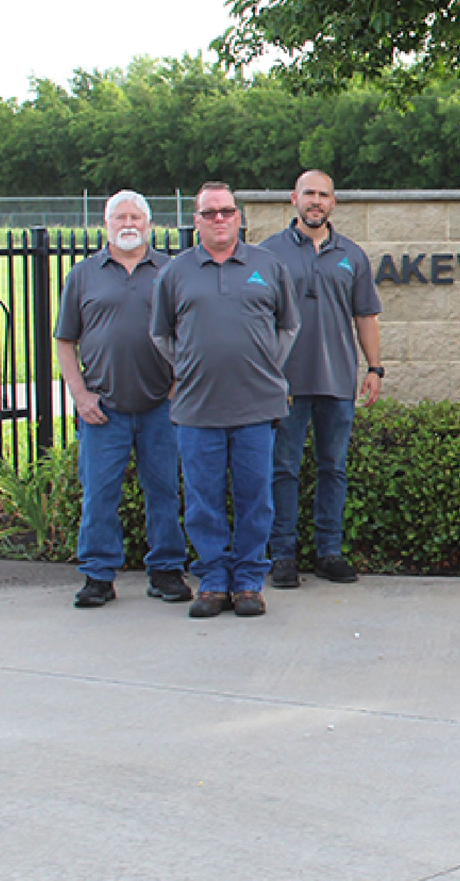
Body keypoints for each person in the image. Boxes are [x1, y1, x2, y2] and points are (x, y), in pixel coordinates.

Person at [150, 182, 301, 619]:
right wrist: (192, 368)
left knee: (257, 497)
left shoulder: (267, 266)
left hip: (257, 407)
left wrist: (262, 367)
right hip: (198, 409)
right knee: (202, 500)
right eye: (209, 212)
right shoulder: (175, 273)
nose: (219, 219)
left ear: (239, 218)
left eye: (226, 211)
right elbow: (161, 334)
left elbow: (288, 327)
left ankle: (249, 583)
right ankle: (214, 582)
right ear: (196, 220)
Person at [54, 191, 191, 609]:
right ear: (106, 224)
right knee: (99, 493)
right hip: (103, 410)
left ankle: (166, 570)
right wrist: (79, 394)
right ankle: (97, 575)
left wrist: (177, 386)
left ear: (149, 225)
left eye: (136, 216)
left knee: (164, 491)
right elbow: (64, 341)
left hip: (160, 407)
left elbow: (189, 335)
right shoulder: (83, 275)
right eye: (119, 217)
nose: (128, 223)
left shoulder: (171, 271)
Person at [260, 169, 383, 589]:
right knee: (283, 470)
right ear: (293, 198)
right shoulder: (268, 254)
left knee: (334, 469)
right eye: (309, 193)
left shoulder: (352, 255)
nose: (316, 201)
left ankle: (328, 551)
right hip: (285, 385)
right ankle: (283, 555)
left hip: (337, 382)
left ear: (334, 202)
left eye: (323, 195)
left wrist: (374, 368)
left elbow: (365, 315)